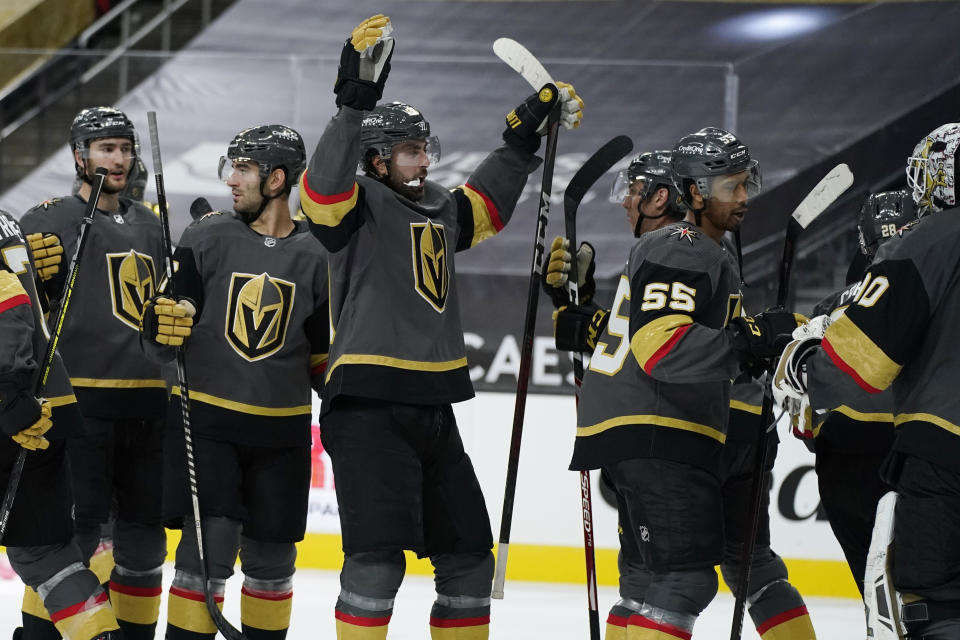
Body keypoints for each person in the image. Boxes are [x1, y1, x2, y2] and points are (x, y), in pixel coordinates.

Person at [298, 14, 583, 639]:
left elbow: (483, 206)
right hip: (367, 406)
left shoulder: (435, 207)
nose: (425, 160)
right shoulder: (355, 203)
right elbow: (319, 195)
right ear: (376, 159)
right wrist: (351, 108)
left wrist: (519, 143)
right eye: (410, 150)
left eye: (425, 147)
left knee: (469, 562)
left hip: (433, 408)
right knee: (375, 567)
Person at [546, 147, 813, 639]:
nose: (626, 202)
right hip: (696, 420)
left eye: (632, 191)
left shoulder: (679, 245)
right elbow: (662, 340)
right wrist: (582, 317)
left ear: (661, 195)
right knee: (731, 569)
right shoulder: (689, 246)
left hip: (689, 419)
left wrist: (584, 320)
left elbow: (664, 342)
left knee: (655, 581)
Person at [140, 123, 329, 640]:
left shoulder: (319, 253)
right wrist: (161, 324)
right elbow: (159, 340)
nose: (231, 181)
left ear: (277, 179)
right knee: (208, 553)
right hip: (207, 422)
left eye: (243, 169)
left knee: (273, 563)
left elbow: (322, 357)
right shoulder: (206, 236)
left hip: (283, 433)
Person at [775, 122, 960, 639]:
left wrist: (803, 368)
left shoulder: (931, 241)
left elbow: (858, 364)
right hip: (889, 451)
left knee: (932, 603)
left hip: (939, 451)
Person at [19, 106, 167, 640]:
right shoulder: (47, 220)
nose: (119, 159)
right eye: (106, 149)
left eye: (126, 149)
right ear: (79, 155)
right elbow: (23, 315)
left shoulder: (153, 223)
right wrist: (37, 278)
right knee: (79, 542)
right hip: (80, 404)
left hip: (150, 403)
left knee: (144, 545)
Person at [0, 208, 121, 640]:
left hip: (13, 406)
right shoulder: (6, 219)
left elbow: (5, 296)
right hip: (44, 404)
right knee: (46, 554)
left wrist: (7, 393)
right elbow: (30, 298)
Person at [789, 190, 915, 599]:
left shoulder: (827, 308)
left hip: (843, 458)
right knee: (926, 595)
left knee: (876, 594)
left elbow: (801, 417)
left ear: (864, 241)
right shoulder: (931, 289)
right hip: (914, 450)